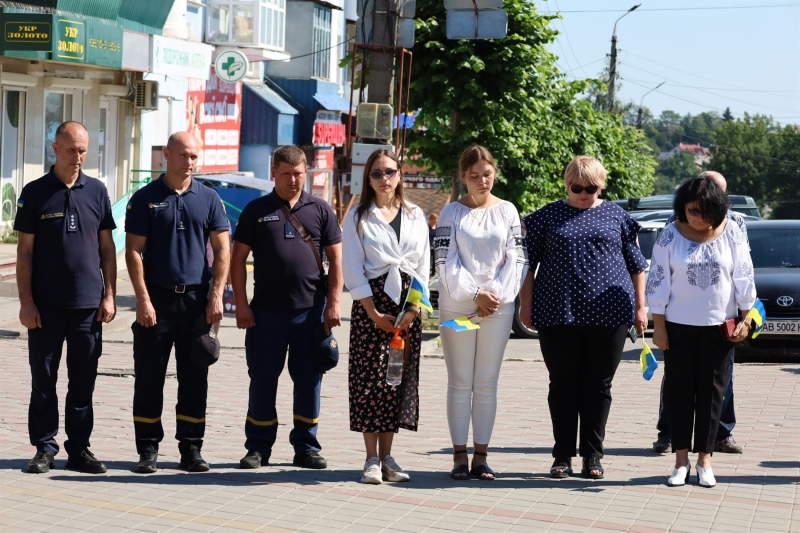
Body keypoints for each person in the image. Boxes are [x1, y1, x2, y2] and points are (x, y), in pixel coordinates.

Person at [520, 155, 648, 480]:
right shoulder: (548, 216)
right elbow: (526, 265)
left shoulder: (617, 216)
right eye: (577, 187)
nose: (584, 194)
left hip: (610, 315)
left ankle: (593, 455)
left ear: (601, 186)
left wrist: (641, 307)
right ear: (567, 184)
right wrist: (525, 305)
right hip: (557, 313)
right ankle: (561, 455)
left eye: (591, 188)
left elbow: (637, 266)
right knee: (562, 385)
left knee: (598, 386)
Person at [231, 145, 343, 471]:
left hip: (311, 313)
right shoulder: (256, 209)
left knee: (309, 381)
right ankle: (258, 447)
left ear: (306, 172)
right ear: (274, 174)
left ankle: (306, 447)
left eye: (298, 174)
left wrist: (334, 305)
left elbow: (336, 261)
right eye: (286, 174)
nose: (293, 180)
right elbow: (238, 259)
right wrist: (241, 305)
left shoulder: (321, 210)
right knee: (263, 380)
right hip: (265, 313)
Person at [125, 132, 230, 473]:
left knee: (195, 378)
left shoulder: (209, 198)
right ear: (166, 155)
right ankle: (148, 448)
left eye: (195, 157)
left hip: (197, 303)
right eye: (184, 155)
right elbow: (133, 251)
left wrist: (216, 295)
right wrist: (142, 299)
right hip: (156, 300)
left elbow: (224, 249)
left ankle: (191, 448)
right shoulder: (145, 198)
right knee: (149, 377)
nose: (190, 162)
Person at [15, 121, 117, 474]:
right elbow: (24, 253)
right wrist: (26, 302)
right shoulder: (34, 192)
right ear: (55, 148)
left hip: (88, 306)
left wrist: (110, 296)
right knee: (43, 381)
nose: (78, 157)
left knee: (82, 382)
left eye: (84, 150)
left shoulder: (98, 192)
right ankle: (44, 448)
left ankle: (79, 449)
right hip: (45, 308)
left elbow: (108, 248)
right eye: (72, 149)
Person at [647, 175, 756, 488]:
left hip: (720, 328)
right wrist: (660, 328)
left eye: (704, 211)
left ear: (718, 209)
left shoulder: (732, 232)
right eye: (691, 209)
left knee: (712, 396)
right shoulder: (670, 235)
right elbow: (657, 281)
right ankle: (680, 461)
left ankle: (705, 460)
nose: (696, 216)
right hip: (678, 327)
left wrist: (746, 319)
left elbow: (744, 278)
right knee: (679, 393)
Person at [435, 146, 528, 481]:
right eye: (474, 176)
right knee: (461, 381)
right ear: (463, 177)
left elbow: (517, 259)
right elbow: (444, 263)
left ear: (494, 173)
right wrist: (475, 294)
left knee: (486, 381)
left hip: (497, 311)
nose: (481, 181)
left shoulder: (508, 211)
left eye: (486, 174)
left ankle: (481, 456)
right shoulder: (451, 214)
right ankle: (459, 456)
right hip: (459, 308)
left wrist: (495, 298)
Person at [342, 149, 430, 484]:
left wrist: (415, 307)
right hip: (372, 304)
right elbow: (352, 266)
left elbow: (423, 265)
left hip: (408, 304)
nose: (384, 179)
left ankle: (389, 456)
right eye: (376, 173)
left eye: (389, 172)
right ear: (368, 179)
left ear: (400, 175)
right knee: (369, 382)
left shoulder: (415, 213)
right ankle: (370, 459)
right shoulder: (358, 216)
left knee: (395, 379)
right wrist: (372, 311)